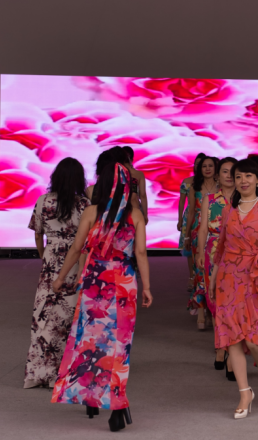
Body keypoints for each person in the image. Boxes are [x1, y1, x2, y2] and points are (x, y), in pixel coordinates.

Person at [51, 162, 153, 432]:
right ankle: (116, 406)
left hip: (95, 280)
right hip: (124, 282)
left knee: (92, 340)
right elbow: (140, 253)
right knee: (119, 345)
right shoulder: (135, 214)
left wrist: (60, 278)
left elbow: (76, 249)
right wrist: (147, 287)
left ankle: (91, 397)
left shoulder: (91, 212)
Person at [208, 159, 258, 419]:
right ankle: (244, 392)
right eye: (239, 176)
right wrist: (213, 279)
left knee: (253, 337)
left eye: (248, 176)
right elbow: (221, 248)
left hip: (254, 279)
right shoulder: (229, 210)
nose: (243, 181)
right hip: (228, 278)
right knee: (232, 338)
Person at [24, 158, 91, 389]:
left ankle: (38, 373)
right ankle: (64, 373)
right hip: (74, 262)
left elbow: (37, 234)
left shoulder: (43, 200)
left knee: (43, 315)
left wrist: (44, 256)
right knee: (68, 318)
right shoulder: (84, 204)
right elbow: (86, 241)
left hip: (50, 260)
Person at [196, 157, 237, 377]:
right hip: (212, 253)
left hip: (238, 255)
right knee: (215, 301)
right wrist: (199, 252)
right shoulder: (209, 200)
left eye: (232, 171)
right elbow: (203, 228)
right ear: (218, 175)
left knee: (234, 302)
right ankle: (220, 347)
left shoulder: (245, 199)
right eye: (225, 171)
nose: (229, 176)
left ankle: (231, 350)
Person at [185, 156, 219, 329]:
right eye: (204, 166)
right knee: (200, 269)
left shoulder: (221, 187)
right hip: (198, 230)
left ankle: (213, 310)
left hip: (217, 231)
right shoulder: (194, 187)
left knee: (215, 271)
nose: (207, 169)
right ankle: (200, 310)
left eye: (210, 166)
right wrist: (186, 235)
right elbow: (191, 211)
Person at [179, 153, 206, 292]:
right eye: (197, 163)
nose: (199, 166)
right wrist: (179, 219)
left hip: (207, 217)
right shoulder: (187, 182)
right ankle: (191, 276)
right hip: (191, 216)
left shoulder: (213, 183)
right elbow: (181, 202)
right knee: (189, 249)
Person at [122, 146, 149, 225]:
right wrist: (145, 215)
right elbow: (142, 195)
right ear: (132, 159)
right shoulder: (138, 174)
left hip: (120, 211)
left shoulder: (116, 174)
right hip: (135, 210)